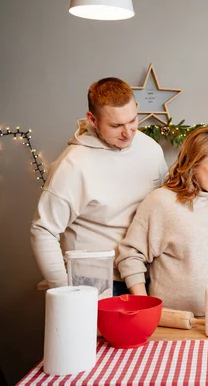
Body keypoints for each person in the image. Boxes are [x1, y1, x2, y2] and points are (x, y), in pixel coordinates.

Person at [30, 77, 168, 292]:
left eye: (132, 120)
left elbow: (164, 207)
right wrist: (64, 291)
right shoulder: (73, 165)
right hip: (93, 281)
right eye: (116, 125)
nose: (128, 132)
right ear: (92, 120)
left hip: (145, 276)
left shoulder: (151, 149)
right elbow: (43, 230)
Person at [116, 127, 208, 315]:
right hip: (171, 323)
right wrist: (145, 308)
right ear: (194, 163)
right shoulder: (161, 202)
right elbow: (130, 256)